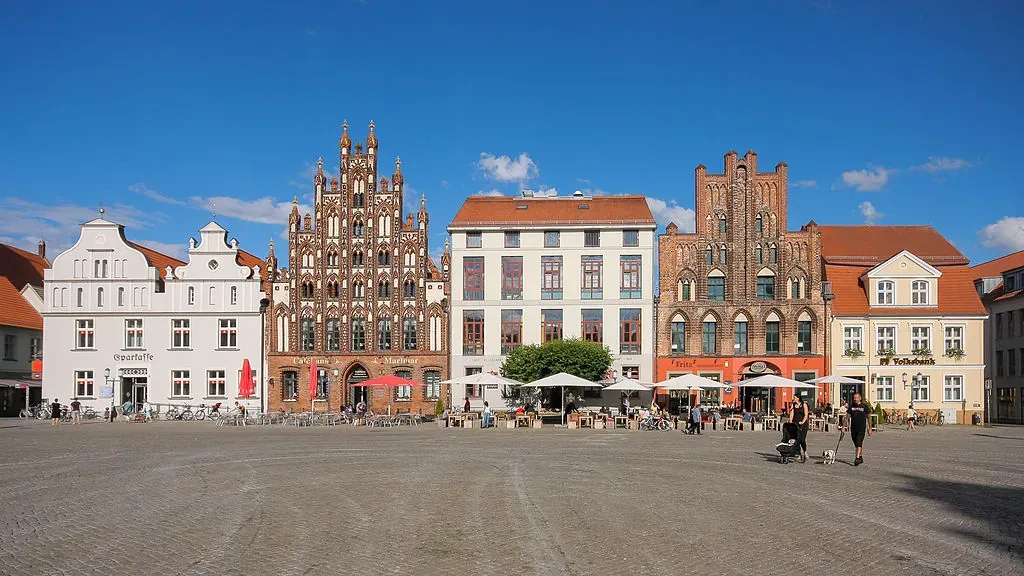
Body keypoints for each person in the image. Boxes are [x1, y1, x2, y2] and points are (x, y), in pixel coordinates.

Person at [844, 393, 872, 466]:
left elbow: (869, 417)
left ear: (860, 398)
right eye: (854, 398)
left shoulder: (864, 406)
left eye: (857, 398)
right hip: (853, 428)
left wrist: (870, 428)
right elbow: (847, 417)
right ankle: (860, 457)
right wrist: (843, 427)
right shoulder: (851, 406)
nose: (855, 399)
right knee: (856, 443)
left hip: (861, 428)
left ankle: (857, 458)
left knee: (859, 442)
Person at [791, 397, 810, 463]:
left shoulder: (804, 405)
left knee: (802, 439)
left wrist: (802, 422)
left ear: (798, 398)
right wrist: (790, 422)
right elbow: (792, 414)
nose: (793, 398)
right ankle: (798, 454)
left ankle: (805, 451)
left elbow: (806, 415)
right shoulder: (793, 405)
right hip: (795, 423)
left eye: (794, 397)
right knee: (797, 439)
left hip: (803, 424)